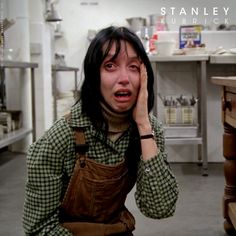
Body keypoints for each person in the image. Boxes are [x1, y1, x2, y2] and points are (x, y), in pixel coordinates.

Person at [23, 25, 179, 236]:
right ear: (94, 76)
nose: (124, 78)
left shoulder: (147, 132)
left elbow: (160, 208)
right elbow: (39, 228)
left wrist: (143, 125)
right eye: (110, 66)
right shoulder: (59, 140)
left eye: (133, 67)